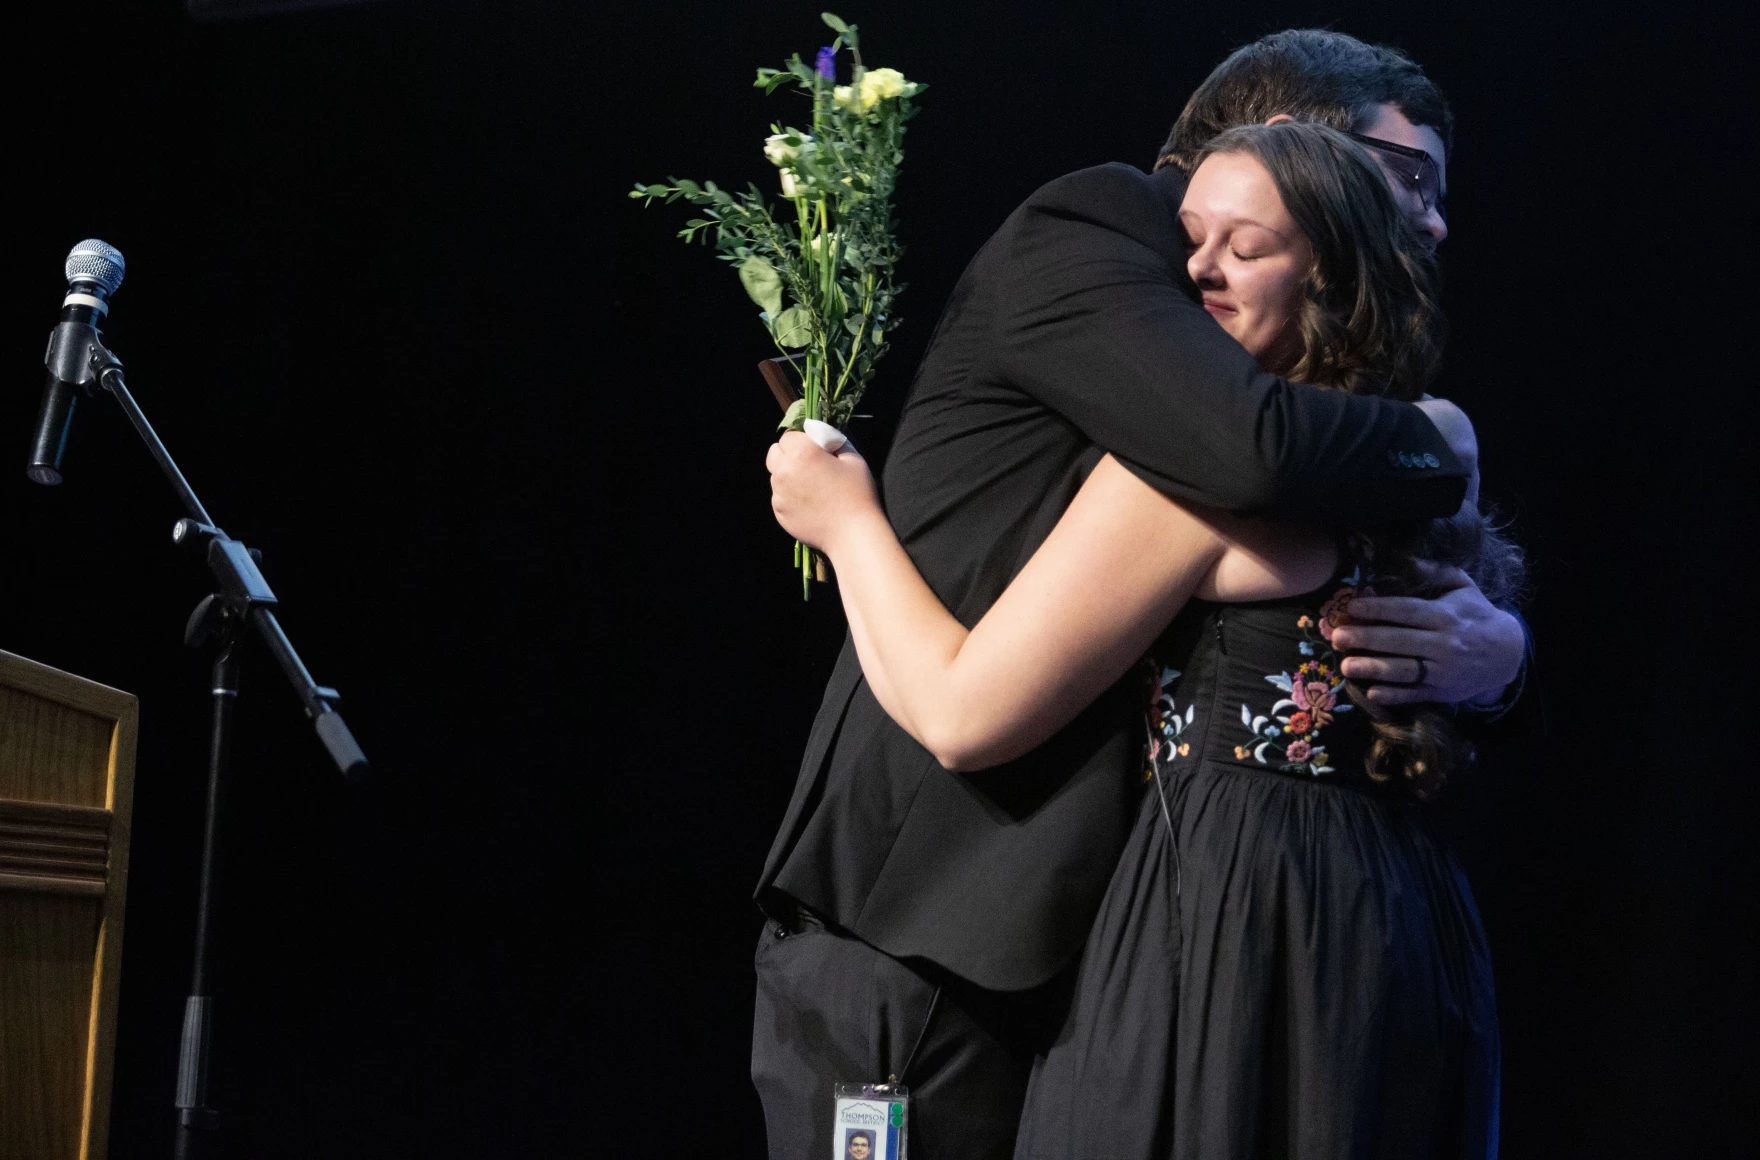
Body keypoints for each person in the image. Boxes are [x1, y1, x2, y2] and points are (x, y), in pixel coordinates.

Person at [751, 30, 1524, 1160]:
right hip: (936, 919)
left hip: (1195, 942)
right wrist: (846, 520)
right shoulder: (1102, 237)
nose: (1434, 218)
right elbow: (1248, 451)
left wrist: (1499, 647)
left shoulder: (1358, 441)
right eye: (1403, 176)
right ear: (1303, 160)